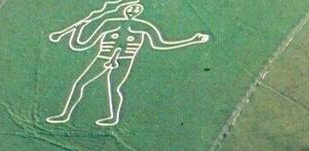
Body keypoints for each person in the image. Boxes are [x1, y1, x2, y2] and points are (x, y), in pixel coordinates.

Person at [46, 2, 210, 127]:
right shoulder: (109, 23)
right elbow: (81, 45)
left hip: (124, 61)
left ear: (139, 13)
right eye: (130, 9)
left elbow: (161, 44)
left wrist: (191, 40)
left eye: (136, 10)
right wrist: (77, 29)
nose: (132, 11)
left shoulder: (144, 26)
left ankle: (113, 117)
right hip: (102, 58)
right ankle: (65, 114)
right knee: (80, 83)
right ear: (125, 10)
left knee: (114, 88)